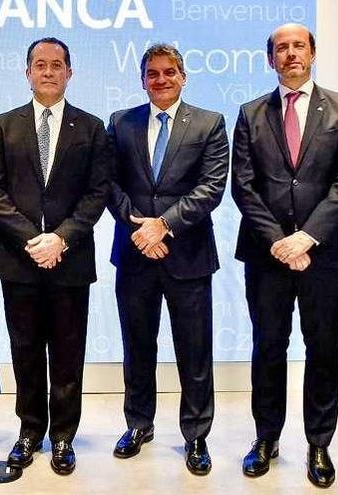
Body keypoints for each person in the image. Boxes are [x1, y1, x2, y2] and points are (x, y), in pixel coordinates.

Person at [231, 23, 338, 488]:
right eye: (281, 48)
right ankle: (265, 438)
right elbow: (243, 187)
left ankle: (319, 443)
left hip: (327, 256)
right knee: (268, 346)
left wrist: (306, 238)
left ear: (312, 54)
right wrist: (279, 242)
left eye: (298, 46)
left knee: (323, 348)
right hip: (267, 255)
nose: (290, 54)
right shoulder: (250, 114)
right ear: (271, 59)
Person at [0, 37, 109, 475]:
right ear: (27, 71)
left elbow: (97, 194)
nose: (49, 71)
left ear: (70, 72)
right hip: (19, 260)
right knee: (26, 351)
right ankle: (29, 431)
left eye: (57, 65)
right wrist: (33, 239)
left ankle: (63, 437)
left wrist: (61, 239)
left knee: (68, 354)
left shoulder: (91, 128)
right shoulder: (4, 124)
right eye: (40, 64)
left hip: (70, 261)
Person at [107, 43, 228, 475]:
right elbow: (109, 183)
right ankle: (139, 424)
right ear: (142, 79)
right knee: (137, 347)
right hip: (136, 252)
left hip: (188, 255)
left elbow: (211, 188)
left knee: (194, 352)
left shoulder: (210, 124)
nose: (161, 79)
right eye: (153, 73)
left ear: (183, 76)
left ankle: (196, 436)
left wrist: (165, 225)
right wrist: (140, 227)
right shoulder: (121, 122)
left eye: (169, 72)